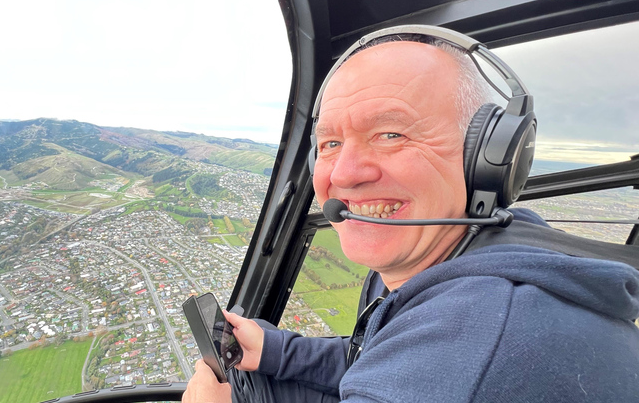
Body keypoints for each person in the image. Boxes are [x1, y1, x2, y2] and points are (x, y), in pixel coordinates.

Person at [183, 28, 639, 403]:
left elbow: (417, 368)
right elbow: (373, 356)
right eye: (330, 144)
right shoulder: (467, 248)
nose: (344, 173)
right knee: (251, 380)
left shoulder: (462, 358)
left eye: (390, 133)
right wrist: (275, 350)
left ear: (489, 157)